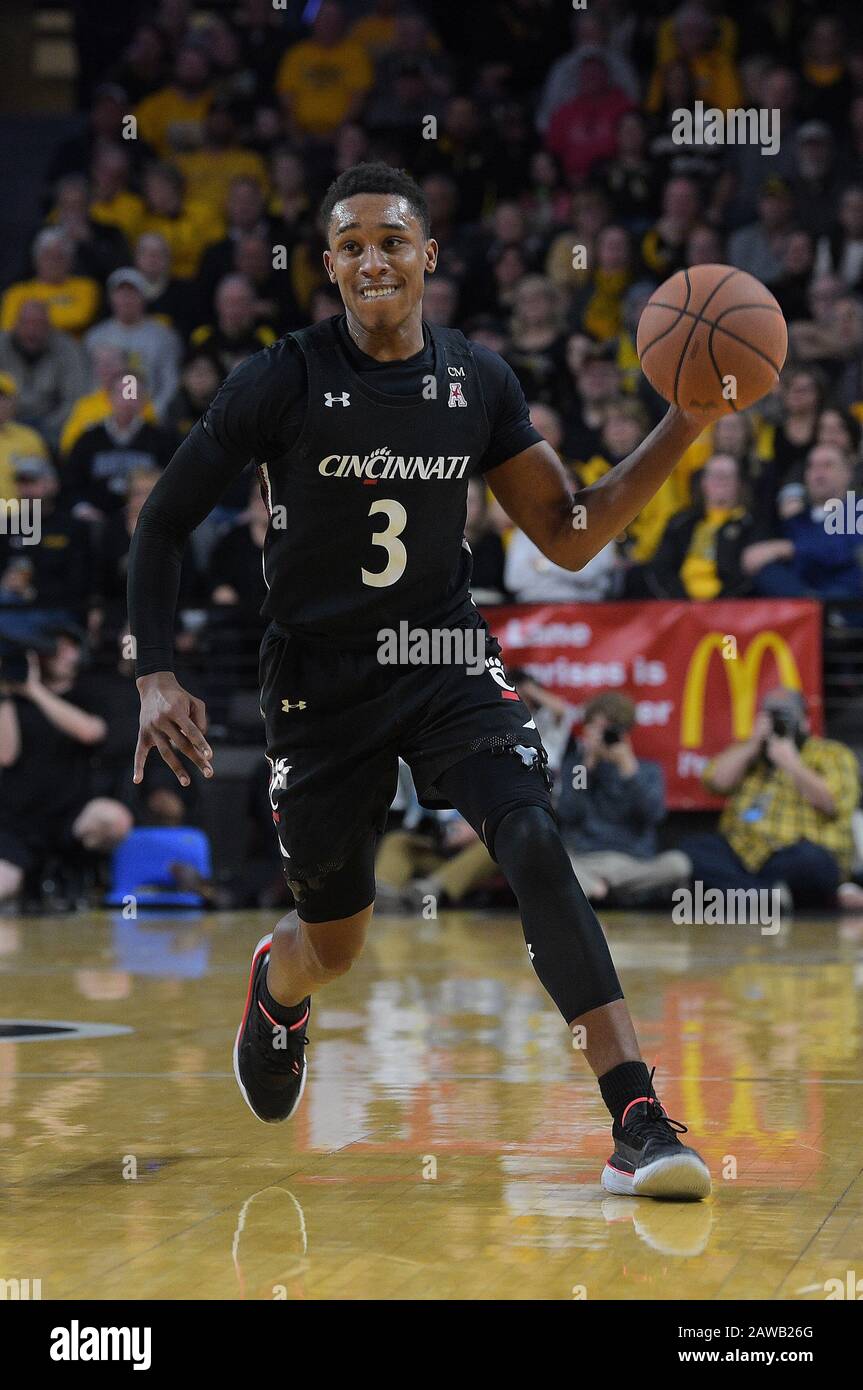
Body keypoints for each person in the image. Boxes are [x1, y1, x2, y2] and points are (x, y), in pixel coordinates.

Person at [128, 161, 719, 1200]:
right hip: (317, 683)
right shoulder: (280, 377)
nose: (372, 260)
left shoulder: (478, 379)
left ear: (427, 258)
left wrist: (683, 421)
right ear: (328, 266)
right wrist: (153, 675)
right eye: (350, 244)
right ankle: (276, 986)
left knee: (533, 837)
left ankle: (634, 1113)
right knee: (336, 940)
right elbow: (163, 521)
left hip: (443, 656)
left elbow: (568, 533)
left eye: (391, 241)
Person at [680, 688, 863, 911]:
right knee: (693, 849)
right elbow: (715, 782)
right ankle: (768, 896)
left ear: (805, 721)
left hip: (796, 854)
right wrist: (752, 745)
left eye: (785, 716)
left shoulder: (831, 753)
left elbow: (833, 802)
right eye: (771, 717)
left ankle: (749, 896)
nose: (778, 723)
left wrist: (791, 763)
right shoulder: (751, 753)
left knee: (815, 862)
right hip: (744, 856)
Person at [0, 628, 133, 906]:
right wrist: (6, 694)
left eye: (68, 647)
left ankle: (87, 879)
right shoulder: (13, 697)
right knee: (4, 883)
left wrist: (35, 691)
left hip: (69, 815)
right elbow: (6, 755)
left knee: (114, 819)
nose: (61, 654)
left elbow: (90, 732)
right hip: (17, 821)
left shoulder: (89, 692)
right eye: (53, 647)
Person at [558, 693, 689, 907]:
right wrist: (587, 764)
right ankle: (600, 890)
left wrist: (628, 767)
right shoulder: (578, 769)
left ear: (624, 733)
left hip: (633, 862)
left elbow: (653, 814)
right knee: (550, 862)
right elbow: (568, 811)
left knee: (679, 864)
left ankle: (599, 892)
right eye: (596, 729)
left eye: (608, 730)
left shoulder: (646, 771)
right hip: (586, 860)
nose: (602, 737)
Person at [743, 445, 863, 601]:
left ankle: (813, 609)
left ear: (847, 474)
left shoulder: (857, 509)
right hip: (801, 596)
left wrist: (788, 548)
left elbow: (843, 549)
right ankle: (811, 607)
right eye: (812, 466)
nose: (818, 473)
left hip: (848, 600)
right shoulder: (797, 520)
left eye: (828, 465)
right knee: (766, 571)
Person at [84, 267, 181, 421]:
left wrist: (154, 412)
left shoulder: (164, 336)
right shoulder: (95, 337)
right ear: (111, 298)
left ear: (143, 296)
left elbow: (170, 381)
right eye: (121, 293)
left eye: (132, 292)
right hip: (102, 413)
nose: (126, 298)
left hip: (149, 412)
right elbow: (88, 382)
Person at [0, 301, 87, 449]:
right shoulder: (2, 345)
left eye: (39, 324)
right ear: (15, 323)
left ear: (49, 326)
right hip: (5, 422)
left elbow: (74, 398)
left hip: (51, 424)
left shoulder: (67, 348)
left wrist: (50, 424)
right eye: (26, 323)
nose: (32, 330)